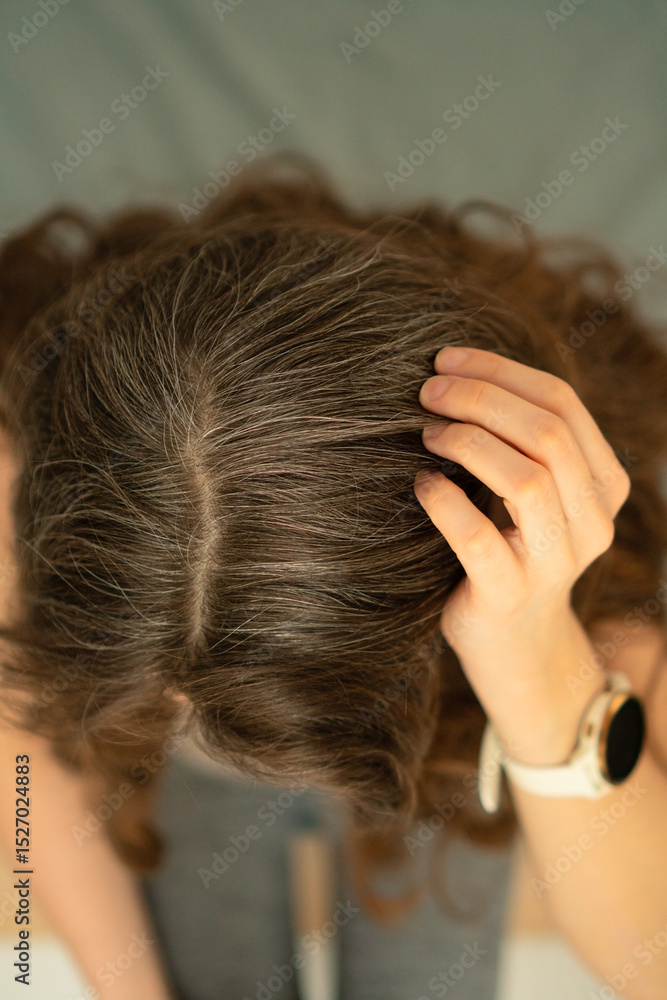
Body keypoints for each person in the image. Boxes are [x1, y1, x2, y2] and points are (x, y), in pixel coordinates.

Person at [0, 149, 665, 999]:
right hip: (176, 787)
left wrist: (540, 666)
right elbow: (24, 756)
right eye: (179, 687)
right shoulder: (19, 462)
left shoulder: (574, 565)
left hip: (447, 752)